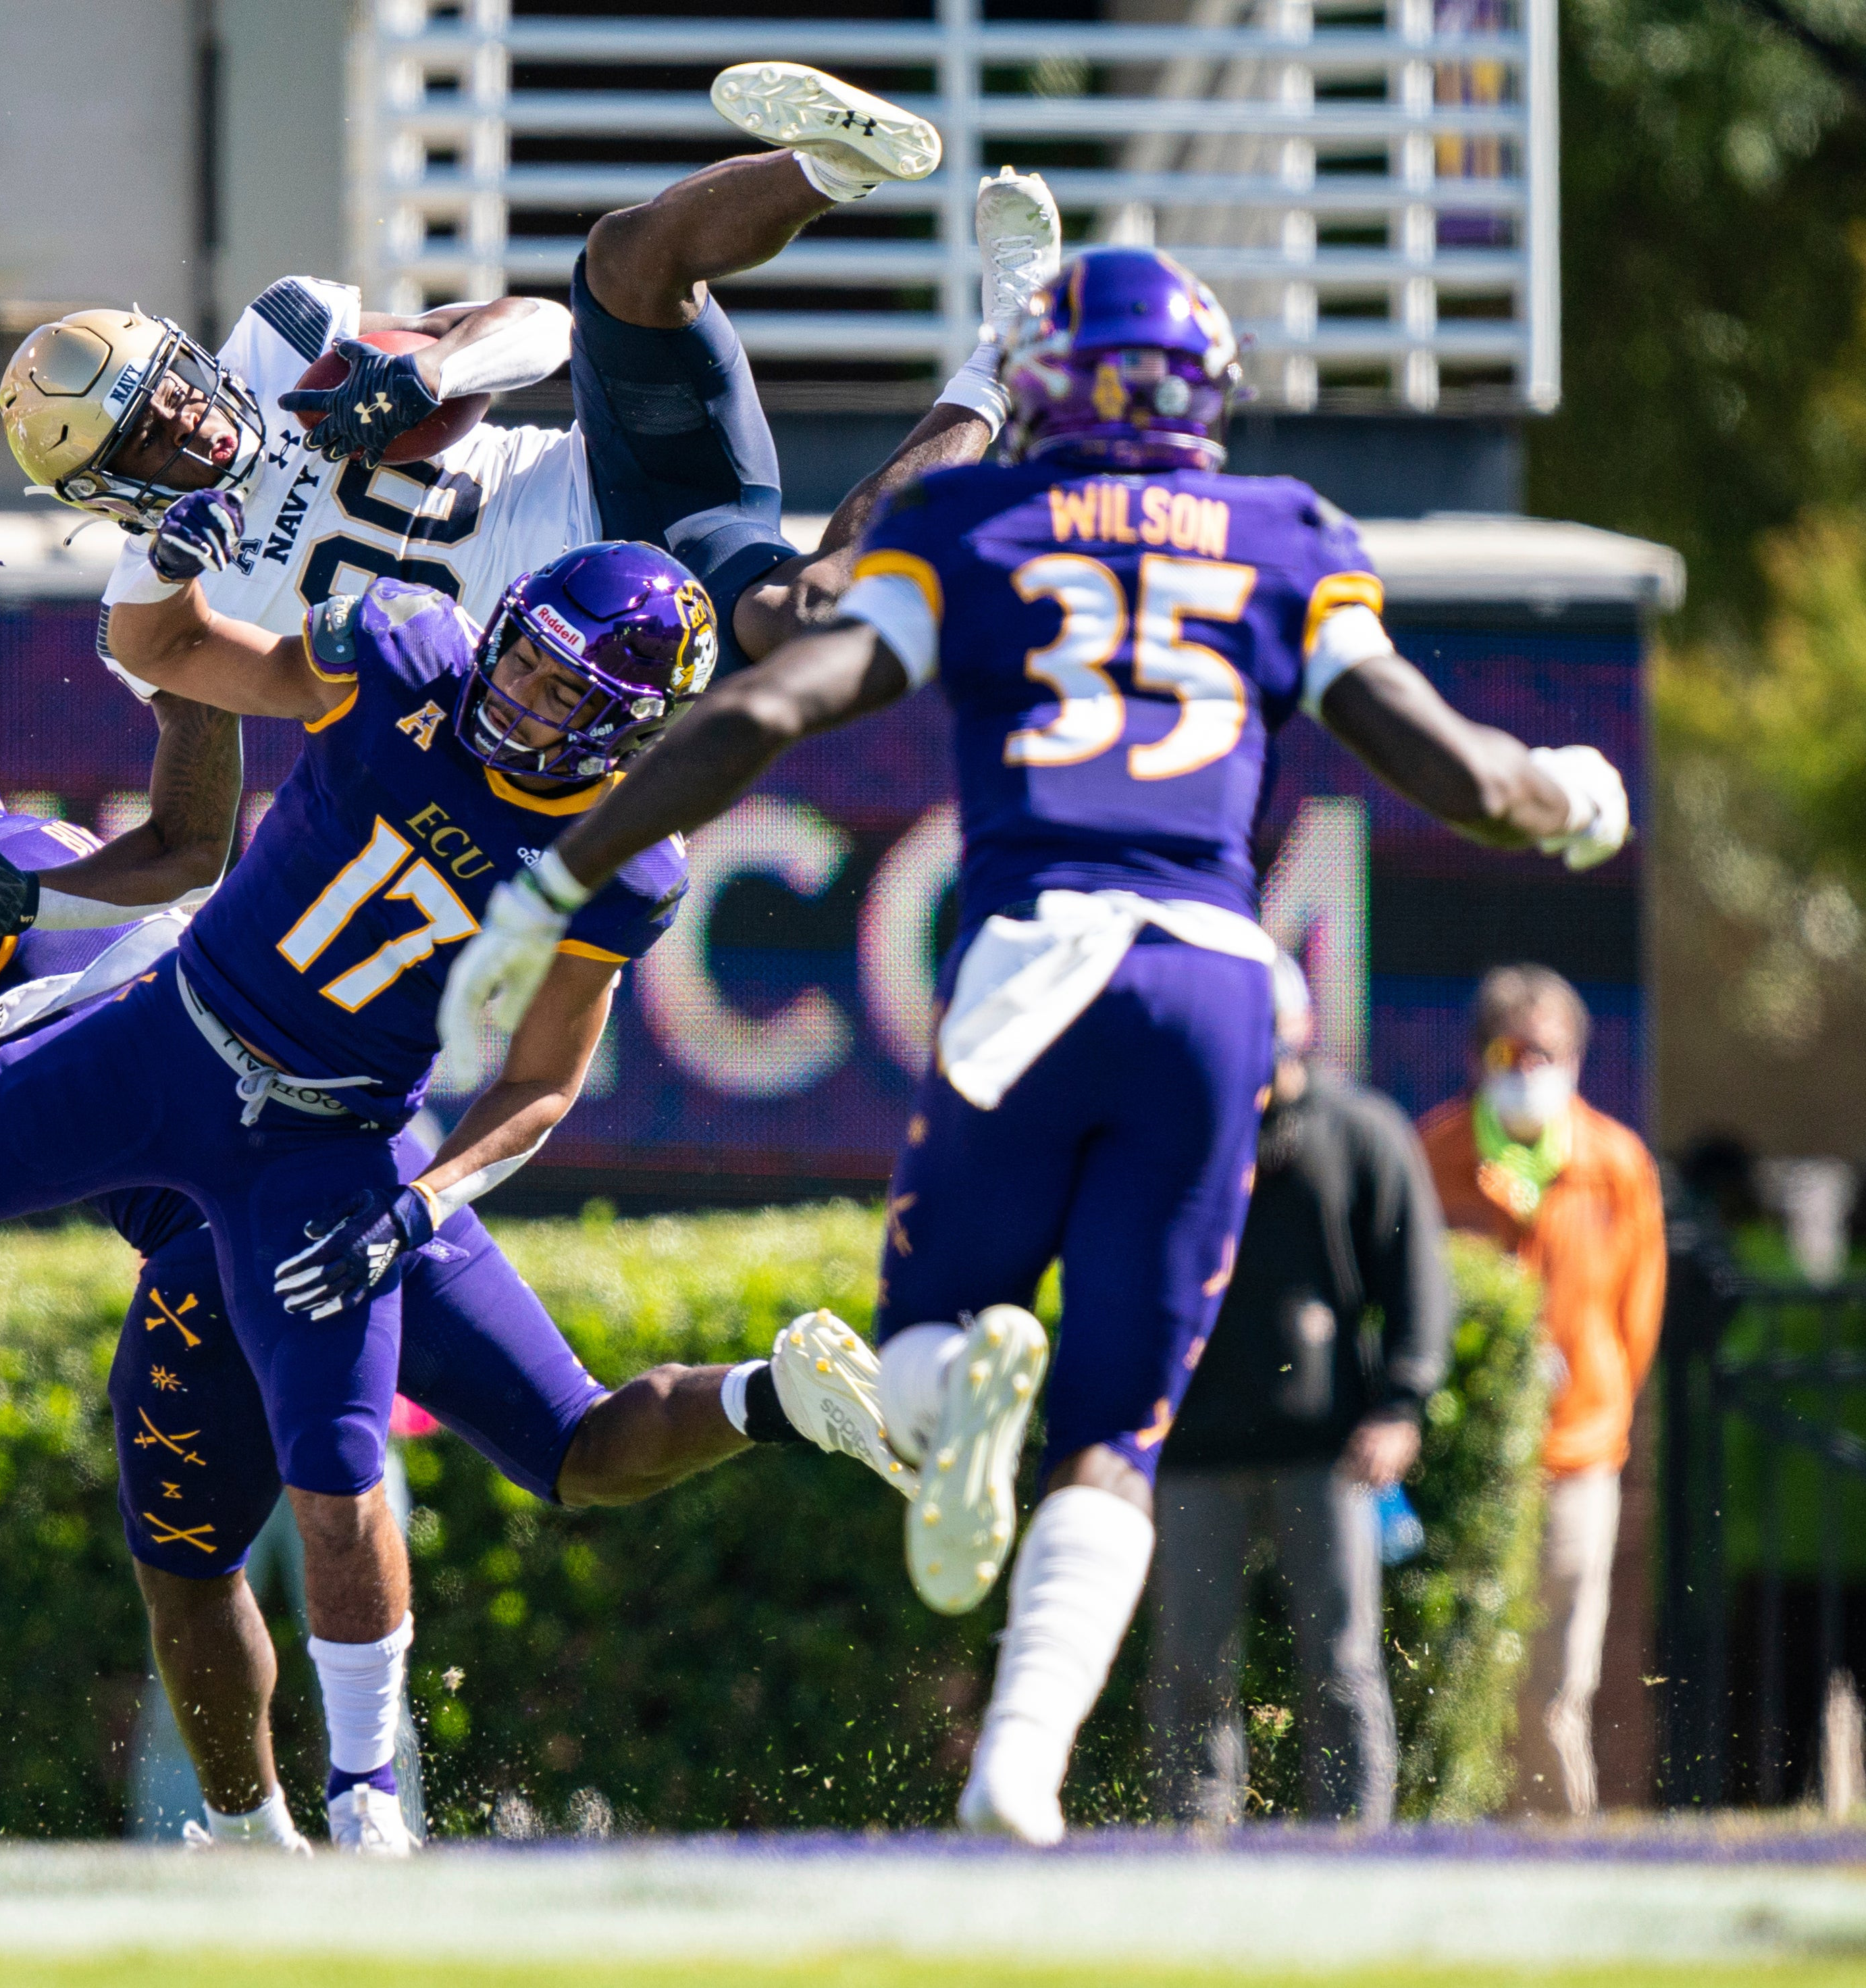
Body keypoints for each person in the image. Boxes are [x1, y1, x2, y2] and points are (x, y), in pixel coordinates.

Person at [432, 245, 1635, 1843]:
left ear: (1044, 384)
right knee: (1120, 1434)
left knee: (922, 1348)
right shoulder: (1281, 536)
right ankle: (1021, 1766)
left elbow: (767, 709)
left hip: (1032, 962)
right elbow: (1461, 777)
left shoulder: (976, 526)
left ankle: (948, 1407)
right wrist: (1563, 797)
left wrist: (555, 881)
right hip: (1216, 980)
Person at [0, 540, 906, 1854]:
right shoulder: (74, 852)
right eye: (519, 663)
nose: (521, 699)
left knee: (194, 1565)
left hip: (222, 1188)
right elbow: (184, 836)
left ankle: (255, 1836)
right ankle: (769, 1394)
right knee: (571, 1446)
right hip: (362, 1152)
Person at [1, 62, 1065, 676]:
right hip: (574, 652)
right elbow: (172, 658)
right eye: (146, 437)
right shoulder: (158, 594)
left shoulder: (279, 342)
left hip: (608, 475)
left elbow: (543, 332)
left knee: (620, 259)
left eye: (173, 394)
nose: (186, 427)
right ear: (105, 488)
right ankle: (1003, 364)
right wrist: (171, 569)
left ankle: (829, 162)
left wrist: (435, 371)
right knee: (814, 618)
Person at [1143, 954, 1451, 1827]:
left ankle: (1354, 1833)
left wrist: (1399, 1402)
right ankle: (1191, 1834)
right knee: (1189, 1659)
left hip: (1326, 1449)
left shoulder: (1359, 1131)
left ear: (1299, 1026)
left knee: (1340, 1656)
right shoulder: (1175, 1134)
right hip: (1195, 1447)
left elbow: (1417, 1280)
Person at [1418, 965, 1663, 1818]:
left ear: (1576, 1059)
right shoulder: (1434, 1153)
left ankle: (1559, 1847)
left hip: (1574, 1455)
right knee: (1460, 1672)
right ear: (1478, 1055)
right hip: (1463, 1458)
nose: (1528, 1068)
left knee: (1554, 1681)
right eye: (1508, 1050)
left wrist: (1597, 1410)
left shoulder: (1615, 1164)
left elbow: (1636, 1316)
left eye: (1545, 1052)